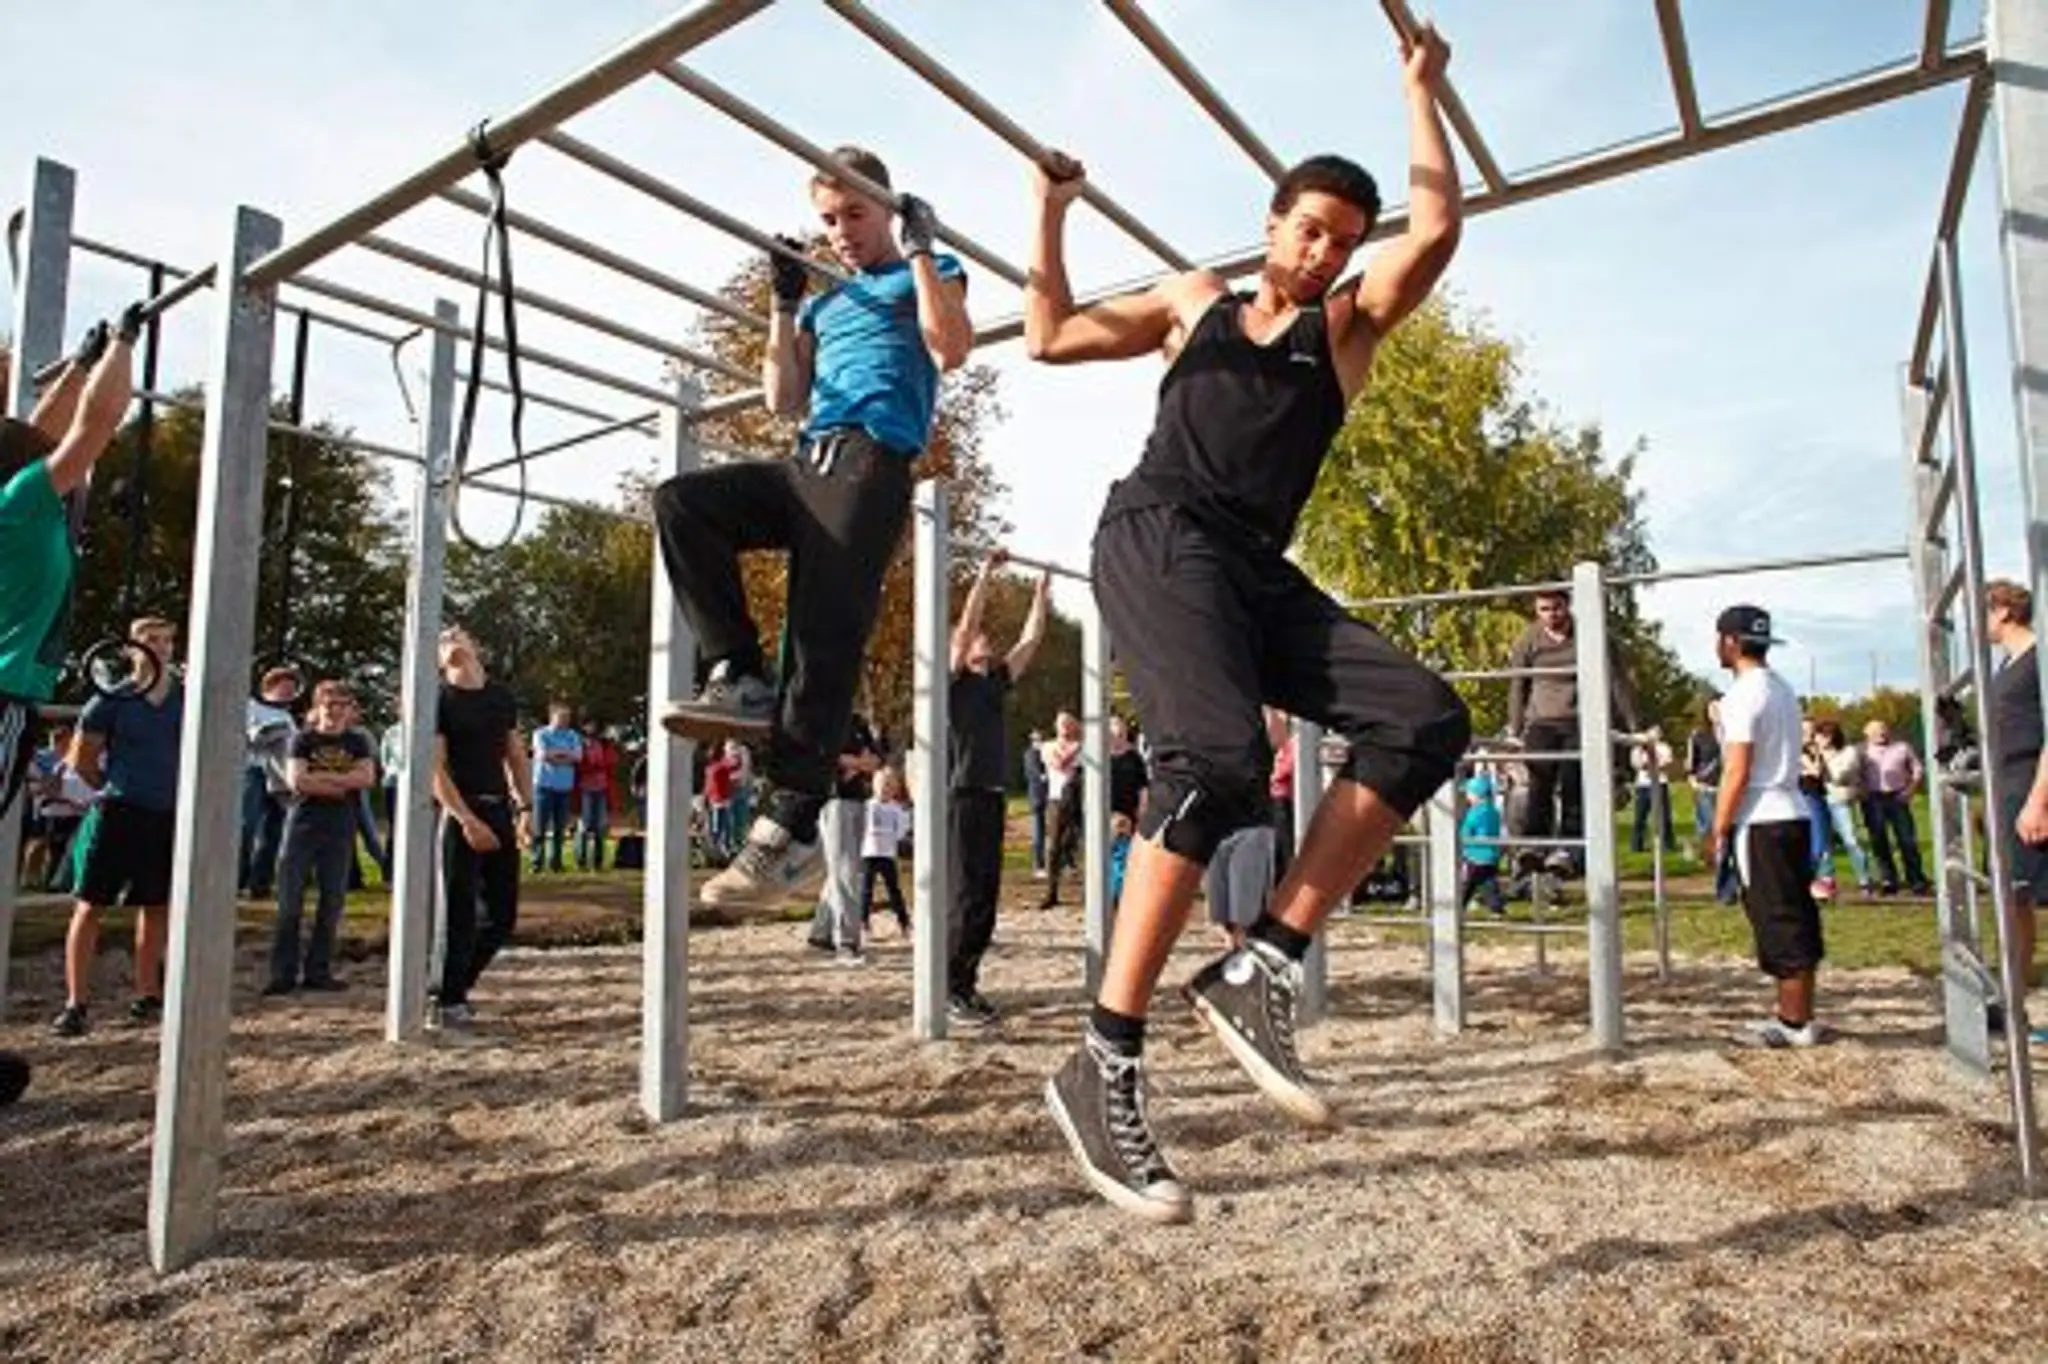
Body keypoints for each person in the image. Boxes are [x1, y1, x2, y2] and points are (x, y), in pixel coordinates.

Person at [1026, 26, 1472, 1223]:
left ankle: (1260, 958)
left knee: (1423, 717)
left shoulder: (1345, 333)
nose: (1321, 250)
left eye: (1338, 239)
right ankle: (1102, 1056)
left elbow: (1433, 230)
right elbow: (1047, 335)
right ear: (1271, 224)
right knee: (1215, 764)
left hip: (1251, 568)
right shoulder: (1193, 304)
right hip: (1158, 533)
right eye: (1306, 228)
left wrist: (1418, 93)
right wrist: (1049, 208)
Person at [651, 145, 971, 908]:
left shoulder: (925, 271)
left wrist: (923, 251)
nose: (841, 232)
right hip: (806, 462)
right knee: (682, 504)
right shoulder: (828, 302)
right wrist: (784, 303)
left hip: (869, 461)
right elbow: (782, 399)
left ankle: (790, 828)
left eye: (855, 214)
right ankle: (738, 673)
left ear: (887, 210)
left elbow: (951, 346)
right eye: (829, 219)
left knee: (823, 632)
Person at [0, 315, 138, 825]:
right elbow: (94, 427)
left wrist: (80, 366)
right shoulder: (20, 502)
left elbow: (38, 433)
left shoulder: (13, 499)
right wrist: (123, 347)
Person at [51, 616, 184, 1037]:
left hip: (167, 814)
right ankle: (77, 1002)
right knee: (91, 903)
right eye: (150, 640)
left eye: (166, 640)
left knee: (156, 904)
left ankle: (147, 994)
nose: (159, 647)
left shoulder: (187, 697)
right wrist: (107, 787)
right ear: (130, 648)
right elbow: (81, 756)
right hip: (120, 810)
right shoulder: (112, 699)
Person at [1708, 606, 1826, 1048]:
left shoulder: (1741, 695)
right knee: (1796, 910)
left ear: (1731, 643)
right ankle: (1799, 1015)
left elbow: (1736, 769)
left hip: (1761, 817)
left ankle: (1794, 1022)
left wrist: (1718, 828)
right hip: (1793, 810)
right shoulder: (1782, 688)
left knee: (1776, 916)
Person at [946, 549, 1050, 1025]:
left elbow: (1030, 641)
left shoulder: (995, 682)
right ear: (965, 652)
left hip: (990, 797)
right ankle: (949, 986)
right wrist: (986, 572)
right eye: (978, 639)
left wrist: (1042, 594)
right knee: (966, 893)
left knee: (987, 898)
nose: (985, 640)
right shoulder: (954, 683)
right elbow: (966, 624)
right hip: (963, 794)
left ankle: (966, 983)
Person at [431, 625, 532, 1034]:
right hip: (461, 812)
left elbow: (516, 755)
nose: (451, 639)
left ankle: (453, 987)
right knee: (458, 912)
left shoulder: (500, 697)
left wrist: (525, 807)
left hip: (498, 810)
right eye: (442, 639)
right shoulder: (439, 698)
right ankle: (447, 1000)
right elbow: (433, 768)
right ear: (438, 659)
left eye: (458, 633)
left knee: (502, 916)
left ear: (476, 646)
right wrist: (465, 819)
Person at [1505, 588, 1640, 878]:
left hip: (1580, 719)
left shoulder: (1591, 635)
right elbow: (1518, 687)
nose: (1551, 615)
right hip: (1542, 720)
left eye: (1557, 608)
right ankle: (1534, 846)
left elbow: (1618, 683)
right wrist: (1514, 731)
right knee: (1538, 778)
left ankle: (1569, 850)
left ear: (1568, 605)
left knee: (1573, 780)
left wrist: (1634, 729)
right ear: (1536, 610)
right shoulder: (1528, 640)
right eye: (1544, 609)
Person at [265, 680, 376, 994]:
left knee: (332, 900)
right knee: (290, 901)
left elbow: (366, 777)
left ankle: (319, 970)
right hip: (303, 823)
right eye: (330, 705)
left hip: (340, 825)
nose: (336, 711)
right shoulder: (302, 740)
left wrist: (321, 780)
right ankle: (282, 973)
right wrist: (341, 783)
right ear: (317, 707)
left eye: (343, 705)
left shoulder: (357, 742)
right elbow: (297, 781)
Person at [1987, 580, 2048, 1039]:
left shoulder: (2038, 659)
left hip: (2031, 785)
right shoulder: (2006, 663)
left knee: (2032, 895)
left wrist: (2037, 801)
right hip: (2008, 785)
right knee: (2015, 898)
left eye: (1984, 611)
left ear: (2004, 611)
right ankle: (2014, 1003)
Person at [807, 713, 882, 961]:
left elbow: (875, 759)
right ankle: (847, 941)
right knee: (846, 871)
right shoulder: (825, 721)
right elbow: (825, 757)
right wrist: (858, 763)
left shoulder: (858, 722)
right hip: (834, 801)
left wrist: (855, 764)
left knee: (843, 869)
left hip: (858, 799)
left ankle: (821, 932)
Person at [239, 666, 300, 898]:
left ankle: (260, 883)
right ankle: (237, 878)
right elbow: (255, 738)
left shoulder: (287, 716)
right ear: (269, 687)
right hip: (254, 772)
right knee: (247, 825)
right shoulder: (251, 707)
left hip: (280, 777)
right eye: (284, 688)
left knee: (274, 831)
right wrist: (279, 732)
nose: (289, 693)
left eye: (292, 689)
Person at [1860, 718, 1932, 896]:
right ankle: (1889, 880)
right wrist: (1860, 791)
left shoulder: (1902, 747)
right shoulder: (1861, 751)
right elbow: (1855, 774)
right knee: (1879, 841)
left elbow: (1918, 769)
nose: (1881, 733)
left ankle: (1916, 879)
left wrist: (1911, 790)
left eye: (1883, 729)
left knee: (1907, 839)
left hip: (1898, 796)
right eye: (1876, 731)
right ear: (1867, 734)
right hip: (1873, 798)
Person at [1038, 714, 1084, 909]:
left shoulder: (1085, 746)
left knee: (1083, 844)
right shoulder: (1048, 746)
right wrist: (1075, 749)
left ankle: (1089, 891)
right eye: (1061, 723)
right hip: (1056, 800)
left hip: (1080, 800)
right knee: (1053, 846)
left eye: (1069, 722)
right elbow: (1059, 763)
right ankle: (1051, 891)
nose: (1065, 726)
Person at [529, 702, 581, 874]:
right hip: (544, 786)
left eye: (568, 717)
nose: (566, 720)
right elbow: (543, 755)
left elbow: (578, 757)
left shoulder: (573, 735)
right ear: (553, 717)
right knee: (540, 827)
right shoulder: (540, 734)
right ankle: (537, 863)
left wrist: (556, 755)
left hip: (564, 787)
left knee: (560, 828)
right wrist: (565, 755)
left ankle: (556, 863)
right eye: (562, 717)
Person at [860, 766, 912, 940]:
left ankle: (904, 923)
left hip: (887, 854)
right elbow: (862, 827)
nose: (885, 789)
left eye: (889, 785)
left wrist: (894, 837)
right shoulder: (867, 806)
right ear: (874, 786)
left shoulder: (896, 809)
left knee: (894, 890)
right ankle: (863, 923)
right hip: (869, 852)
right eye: (882, 784)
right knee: (866, 890)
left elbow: (902, 830)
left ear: (895, 788)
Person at [1459, 773, 1506, 914]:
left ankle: (1459, 905)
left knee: (1468, 883)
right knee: (1489, 882)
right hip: (1491, 854)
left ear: (1476, 794)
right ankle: (1496, 907)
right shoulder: (1494, 811)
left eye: (1468, 793)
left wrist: (1462, 839)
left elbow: (1467, 830)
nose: (1467, 796)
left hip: (1474, 854)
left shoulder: (1475, 812)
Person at [574, 719, 616, 871]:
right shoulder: (578, 743)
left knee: (600, 827)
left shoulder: (604, 744)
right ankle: (581, 862)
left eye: (593, 724)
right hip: (585, 789)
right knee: (584, 826)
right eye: (587, 724)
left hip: (602, 789)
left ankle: (598, 863)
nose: (591, 727)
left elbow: (611, 762)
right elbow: (578, 764)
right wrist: (594, 765)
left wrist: (597, 765)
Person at [1023, 728, 1049, 879]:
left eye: (1040, 739)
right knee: (1038, 833)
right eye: (1036, 739)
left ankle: (1065, 863)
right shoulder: (1030, 754)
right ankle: (1039, 865)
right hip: (1037, 798)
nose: (1039, 742)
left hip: (1048, 797)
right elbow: (1036, 775)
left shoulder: (1043, 753)